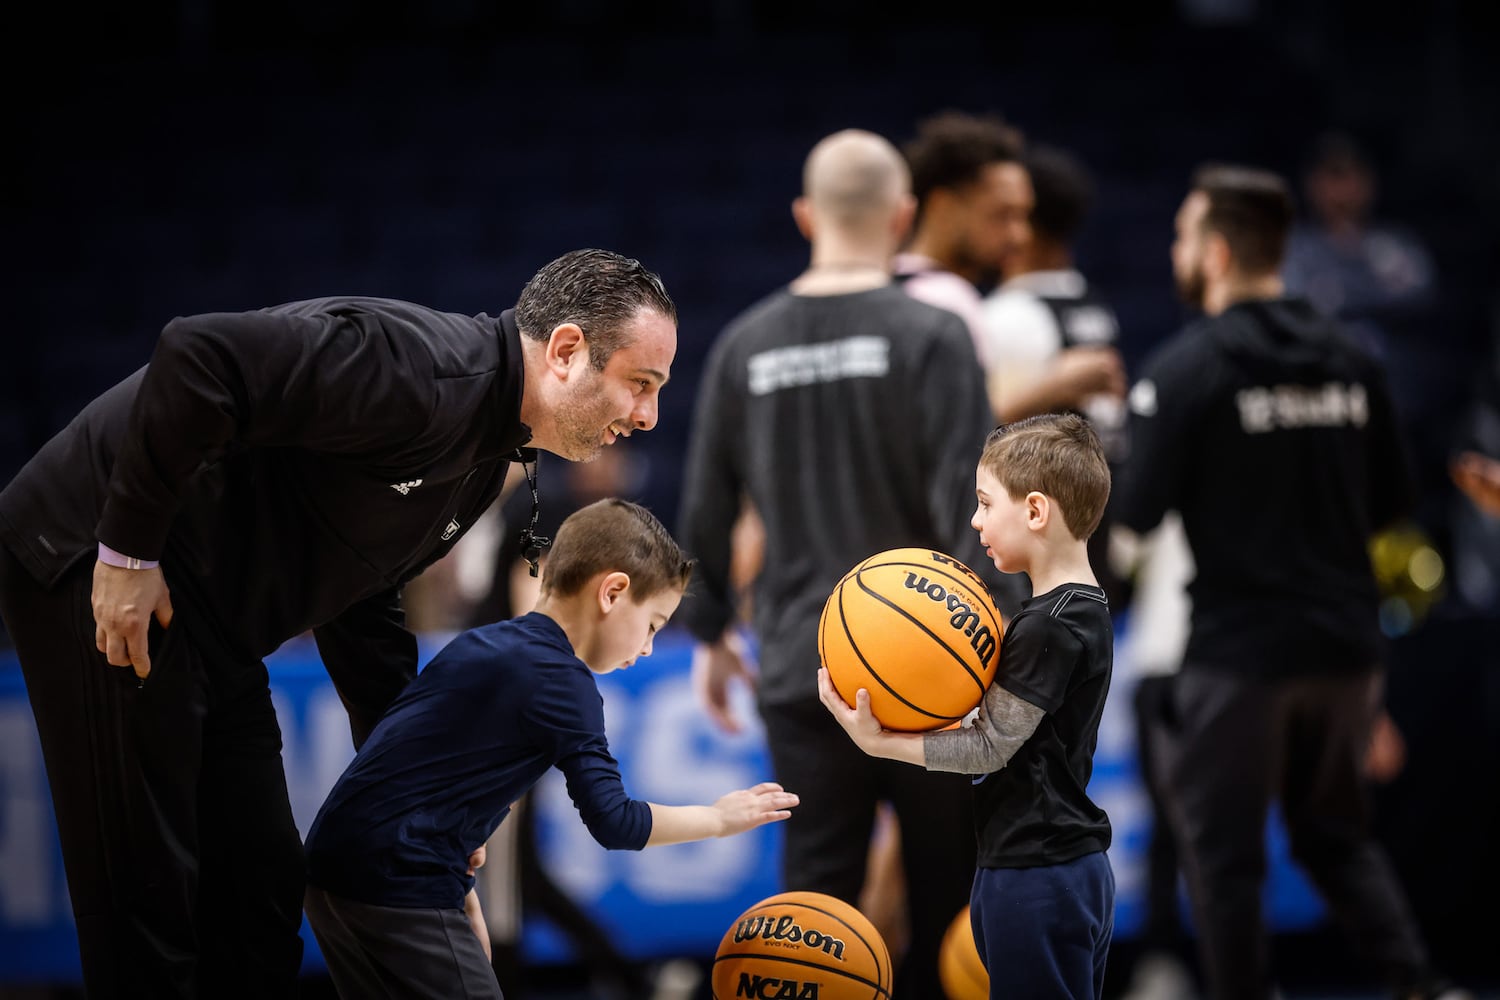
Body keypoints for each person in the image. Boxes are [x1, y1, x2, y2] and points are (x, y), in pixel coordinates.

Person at [0, 248, 678, 999]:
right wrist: (128, 547)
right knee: (151, 915)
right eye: (639, 384)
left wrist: (424, 815)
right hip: (92, 556)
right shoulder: (421, 371)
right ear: (566, 350)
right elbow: (199, 355)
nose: (647, 415)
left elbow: (364, 600)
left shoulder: (486, 458)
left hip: (213, 625)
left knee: (260, 899)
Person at [1111, 163, 1459, 1000]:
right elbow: (1392, 505)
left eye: (1184, 236)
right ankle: (1421, 988)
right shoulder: (1352, 357)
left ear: (1218, 252)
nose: (1176, 251)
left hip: (1238, 654)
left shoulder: (1187, 367)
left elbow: (1137, 518)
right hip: (1346, 648)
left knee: (1222, 856)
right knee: (1335, 837)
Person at [677, 128, 993, 998]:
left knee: (814, 919)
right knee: (946, 914)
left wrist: (709, 635)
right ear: (904, 216)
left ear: (805, 216)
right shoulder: (933, 334)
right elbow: (975, 514)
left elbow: (703, 512)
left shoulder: (745, 344)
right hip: (933, 673)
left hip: (802, 665)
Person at [302, 497, 797, 999]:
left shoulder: (484, 642)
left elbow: (420, 776)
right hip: (400, 886)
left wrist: (458, 890)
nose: (647, 648)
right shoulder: (563, 681)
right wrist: (718, 819)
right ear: (613, 592)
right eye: (652, 625)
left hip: (333, 876)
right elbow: (615, 822)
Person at [818, 412, 1117, 999]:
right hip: (1059, 864)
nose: (974, 520)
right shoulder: (1084, 608)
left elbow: (991, 744)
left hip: (1036, 868)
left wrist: (877, 741)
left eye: (985, 503)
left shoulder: (1046, 628)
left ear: (1035, 511)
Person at [979, 141, 1130, 607]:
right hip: (1096, 527)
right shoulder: (1093, 304)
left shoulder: (1007, 316)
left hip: (1036, 548)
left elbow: (976, 427)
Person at [894, 109, 1034, 376]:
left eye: (1024, 216)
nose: (1021, 235)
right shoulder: (951, 303)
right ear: (943, 207)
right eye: (1002, 215)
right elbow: (966, 419)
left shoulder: (881, 287)